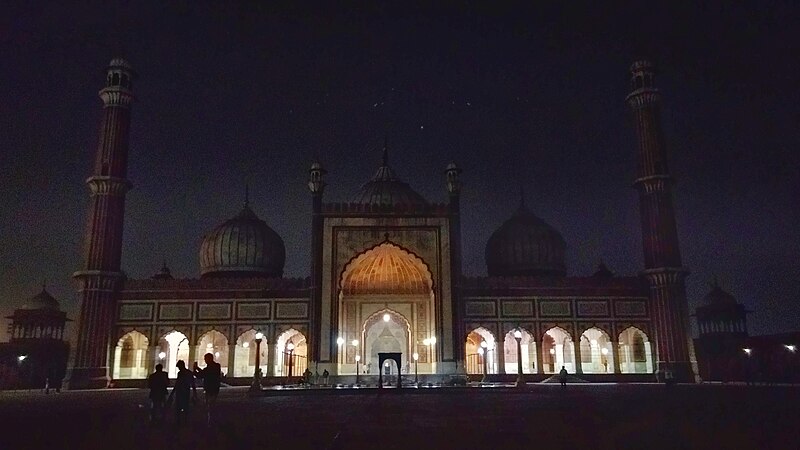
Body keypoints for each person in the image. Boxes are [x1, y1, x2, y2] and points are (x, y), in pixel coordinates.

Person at [193, 353, 222, 425]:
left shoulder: (211, 368)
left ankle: (210, 420)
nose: (205, 360)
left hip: (210, 388)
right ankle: (212, 419)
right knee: (211, 404)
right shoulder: (217, 366)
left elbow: (202, 374)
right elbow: (205, 372)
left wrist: (195, 370)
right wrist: (197, 369)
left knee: (210, 405)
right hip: (215, 388)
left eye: (205, 359)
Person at [167, 360, 196, 425]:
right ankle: (185, 420)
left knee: (178, 407)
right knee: (186, 406)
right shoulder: (189, 373)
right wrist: (194, 393)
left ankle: (178, 421)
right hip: (186, 391)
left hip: (180, 391)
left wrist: (172, 393)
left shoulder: (180, 373)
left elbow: (177, 383)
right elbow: (193, 383)